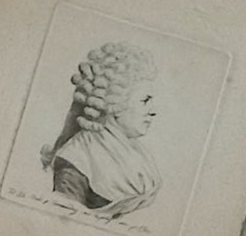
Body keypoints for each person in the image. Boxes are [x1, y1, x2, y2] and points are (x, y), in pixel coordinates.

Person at [43, 39, 161, 220]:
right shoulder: (75, 162)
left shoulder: (138, 153)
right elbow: (62, 224)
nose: (153, 111)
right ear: (115, 104)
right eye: (145, 100)